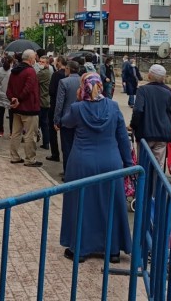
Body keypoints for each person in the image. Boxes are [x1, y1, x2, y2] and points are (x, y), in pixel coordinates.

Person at [59, 73, 133, 263]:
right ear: (100, 86)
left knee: (82, 204)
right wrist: (129, 164)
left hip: (82, 161)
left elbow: (65, 122)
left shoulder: (77, 108)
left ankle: (80, 248)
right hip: (111, 161)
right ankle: (113, 249)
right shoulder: (114, 107)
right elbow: (123, 138)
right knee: (111, 204)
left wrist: (77, 99)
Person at [129, 65, 171, 168]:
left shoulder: (143, 90)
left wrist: (133, 125)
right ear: (164, 77)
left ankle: (145, 184)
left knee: (144, 166)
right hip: (163, 134)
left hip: (145, 133)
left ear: (150, 75)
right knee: (158, 166)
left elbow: (138, 110)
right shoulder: (169, 91)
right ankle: (155, 184)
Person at [6, 49, 42, 167]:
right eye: (34, 58)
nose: (35, 60)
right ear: (30, 59)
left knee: (16, 133)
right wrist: (19, 99)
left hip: (16, 107)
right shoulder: (30, 71)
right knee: (30, 134)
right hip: (29, 107)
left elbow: (9, 89)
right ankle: (30, 159)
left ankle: (14, 156)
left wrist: (13, 99)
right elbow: (28, 89)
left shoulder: (14, 71)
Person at [54, 61, 81, 174]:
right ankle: (76, 171)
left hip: (66, 119)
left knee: (66, 147)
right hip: (80, 118)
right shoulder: (83, 81)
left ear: (68, 69)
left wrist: (56, 120)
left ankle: (67, 172)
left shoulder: (64, 82)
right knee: (78, 146)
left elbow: (59, 102)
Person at [46, 56, 67, 162]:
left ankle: (55, 154)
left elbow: (51, 91)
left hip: (54, 105)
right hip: (66, 107)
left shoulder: (56, 75)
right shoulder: (68, 75)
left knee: (52, 130)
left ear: (59, 62)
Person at [37, 55, 52, 150]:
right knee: (44, 123)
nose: (40, 63)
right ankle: (46, 142)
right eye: (40, 61)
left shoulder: (44, 73)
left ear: (47, 64)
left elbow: (34, 80)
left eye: (42, 62)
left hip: (42, 100)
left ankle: (39, 139)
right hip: (46, 100)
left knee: (39, 122)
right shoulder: (48, 72)